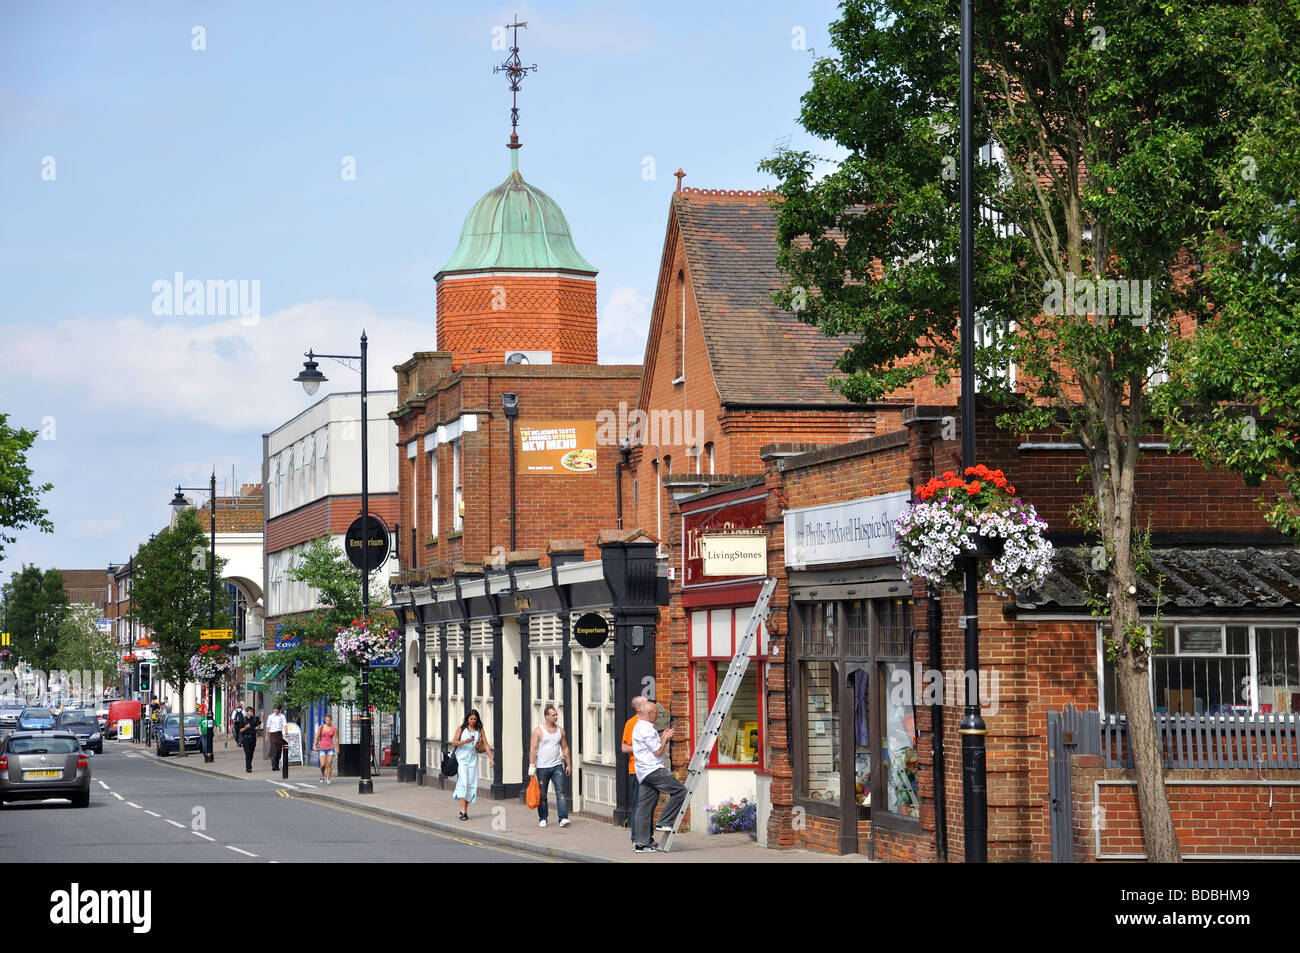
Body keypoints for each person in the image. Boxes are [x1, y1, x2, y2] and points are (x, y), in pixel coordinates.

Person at [631, 701, 686, 853]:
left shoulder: (640, 726)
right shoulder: (646, 729)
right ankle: (665, 821)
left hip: (644, 772)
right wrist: (666, 737)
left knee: (644, 808)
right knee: (680, 791)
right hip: (653, 770)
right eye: (655, 713)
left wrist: (661, 736)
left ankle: (642, 843)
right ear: (649, 714)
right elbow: (657, 751)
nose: (657, 715)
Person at [528, 705, 572, 828]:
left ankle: (563, 818)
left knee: (561, 792)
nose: (556, 717)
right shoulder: (538, 731)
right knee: (542, 795)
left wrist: (568, 764)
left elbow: (565, 748)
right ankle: (543, 818)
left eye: (556, 715)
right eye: (553, 715)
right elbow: (532, 749)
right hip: (542, 767)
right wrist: (532, 766)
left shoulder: (560, 731)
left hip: (557, 765)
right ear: (546, 716)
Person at [451, 709, 493, 820]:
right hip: (462, 759)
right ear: (467, 718)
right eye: (471, 719)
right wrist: (465, 741)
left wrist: (491, 759)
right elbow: (454, 742)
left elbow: (486, 745)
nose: (473, 721)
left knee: (471, 785)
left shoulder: (479, 730)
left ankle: (464, 811)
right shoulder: (462, 728)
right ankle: (463, 811)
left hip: (472, 759)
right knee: (463, 782)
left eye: (475, 719)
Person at [620, 695, 645, 845]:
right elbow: (624, 747)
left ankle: (647, 837)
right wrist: (642, 748)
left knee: (647, 804)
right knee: (638, 804)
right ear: (637, 708)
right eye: (644, 702)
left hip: (649, 769)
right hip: (636, 769)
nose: (648, 703)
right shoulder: (631, 723)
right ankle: (636, 837)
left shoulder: (648, 722)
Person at [313, 714, 337, 783]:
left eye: (329, 720)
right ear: (325, 720)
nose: (328, 721)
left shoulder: (334, 728)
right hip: (322, 748)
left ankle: (328, 778)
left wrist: (337, 748)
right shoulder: (321, 727)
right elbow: (317, 737)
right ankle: (322, 774)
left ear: (331, 720)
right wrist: (314, 745)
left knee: (329, 763)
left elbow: (336, 739)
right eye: (327, 720)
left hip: (330, 748)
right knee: (322, 764)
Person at [239, 706, 260, 772]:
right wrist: (246, 727)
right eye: (249, 711)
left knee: (251, 753)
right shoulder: (243, 720)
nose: (251, 713)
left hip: (253, 738)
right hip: (245, 738)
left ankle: (249, 765)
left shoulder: (254, 719)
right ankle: (248, 768)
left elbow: (257, 728)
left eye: (252, 711)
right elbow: (241, 730)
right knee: (247, 753)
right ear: (247, 712)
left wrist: (257, 728)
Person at [267, 703, 287, 770]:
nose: (276, 710)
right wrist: (266, 736)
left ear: (279, 710)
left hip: (279, 733)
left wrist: (286, 732)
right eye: (275, 709)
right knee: (273, 749)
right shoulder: (270, 717)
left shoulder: (282, 716)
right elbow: (268, 726)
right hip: (272, 734)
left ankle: (277, 765)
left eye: (277, 709)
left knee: (278, 750)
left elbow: (284, 725)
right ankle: (273, 766)